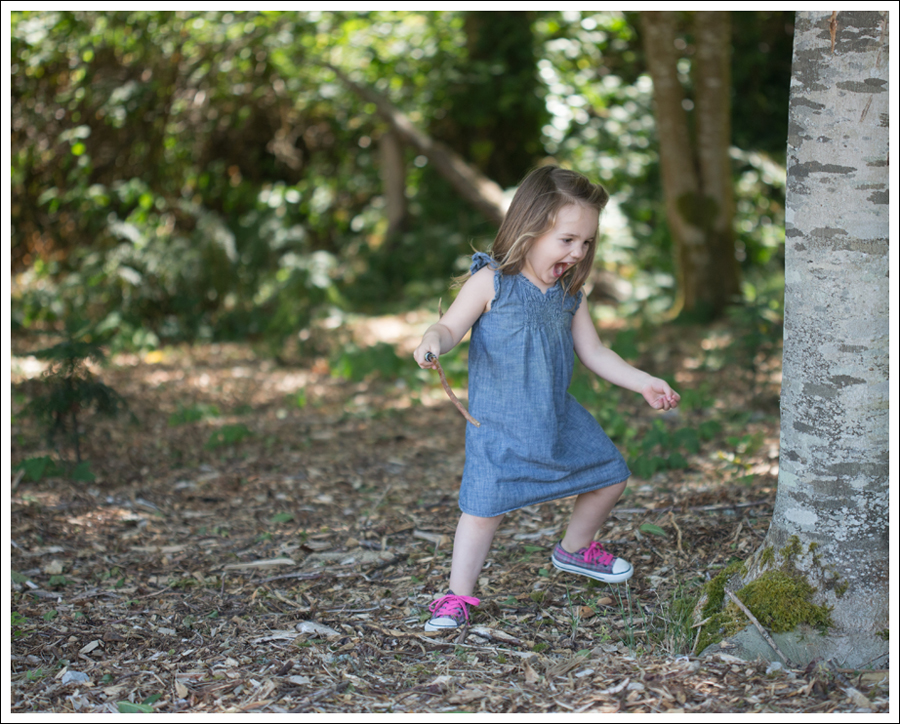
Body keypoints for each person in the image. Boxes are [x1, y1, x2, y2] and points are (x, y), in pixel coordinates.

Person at [413, 165, 680, 631]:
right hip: (498, 425)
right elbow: (450, 326)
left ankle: (574, 550)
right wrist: (432, 340)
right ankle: (457, 597)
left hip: (555, 415)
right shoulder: (492, 282)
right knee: (481, 512)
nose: (578, 252)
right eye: (568, 240)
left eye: (587, 242)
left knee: (610, 475)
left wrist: (642, 381)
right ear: (529, 229)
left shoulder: (569, 294)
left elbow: (595, 351)